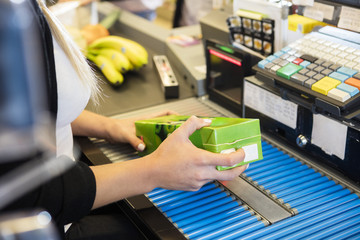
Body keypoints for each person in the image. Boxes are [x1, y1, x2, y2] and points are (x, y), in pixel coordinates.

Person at [0, 0, 247, 239]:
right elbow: (30, 194)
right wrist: (154, 171)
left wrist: (110, 126)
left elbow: (35, 112)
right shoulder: (8, 19)